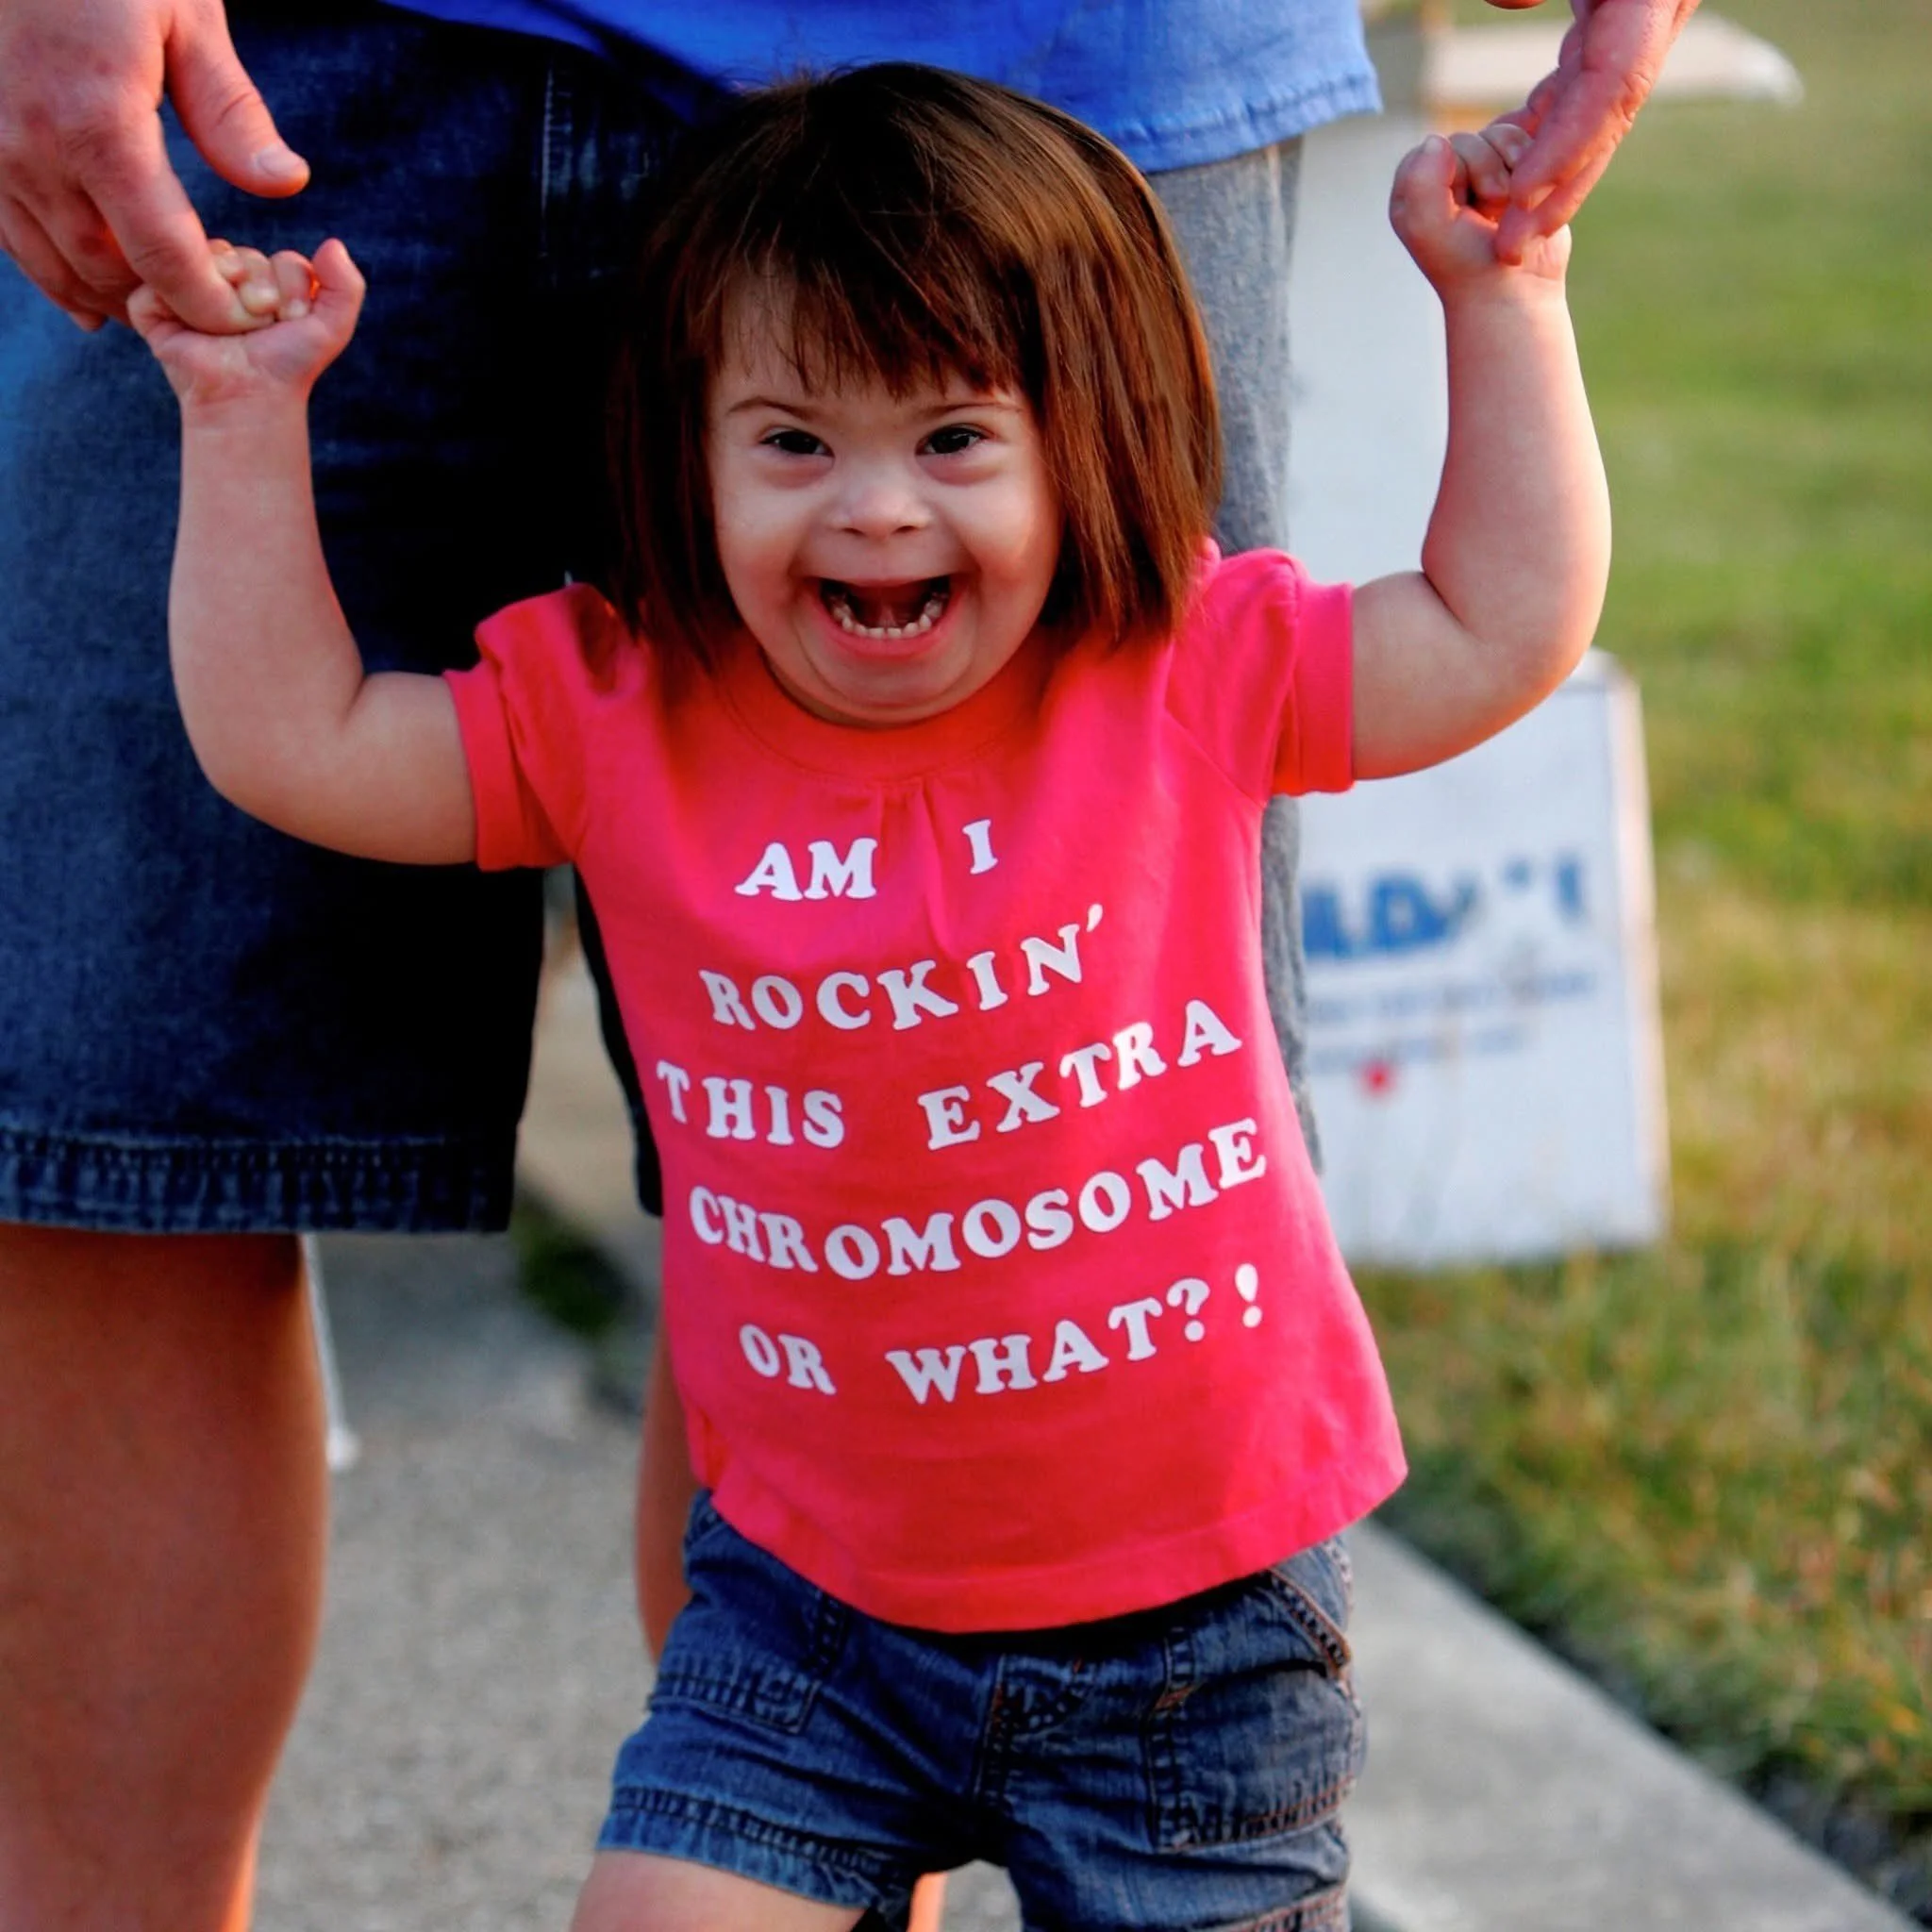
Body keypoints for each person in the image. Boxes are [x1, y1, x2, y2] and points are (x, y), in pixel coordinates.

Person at [0, 5, 1693, 1928]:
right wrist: (242, 425)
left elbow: (1498, 619)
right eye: (794, 442)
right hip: (803, 1618)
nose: (876, 503)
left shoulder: (1180, 668)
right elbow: (292, 741)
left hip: (1191, 1620)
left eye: (956, 438)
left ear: (1085, 445)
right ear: (678, 461)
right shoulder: (615, 706)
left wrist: (1508, 299)